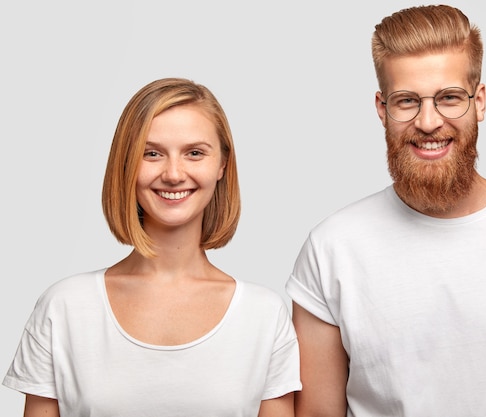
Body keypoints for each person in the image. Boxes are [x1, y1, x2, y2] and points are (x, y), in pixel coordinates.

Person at [286, 5, 486, 417]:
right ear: (381, 108)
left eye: (449, 98)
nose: (428, 122)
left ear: (479, 102)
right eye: (406, 100)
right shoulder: (331, 249)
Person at [3, 77, 301, 417]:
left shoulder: (263, 315)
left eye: (194, 153)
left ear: (222, 165)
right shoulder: (65, 308)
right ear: (126, 163)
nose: (173, 174)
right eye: (152, 153)